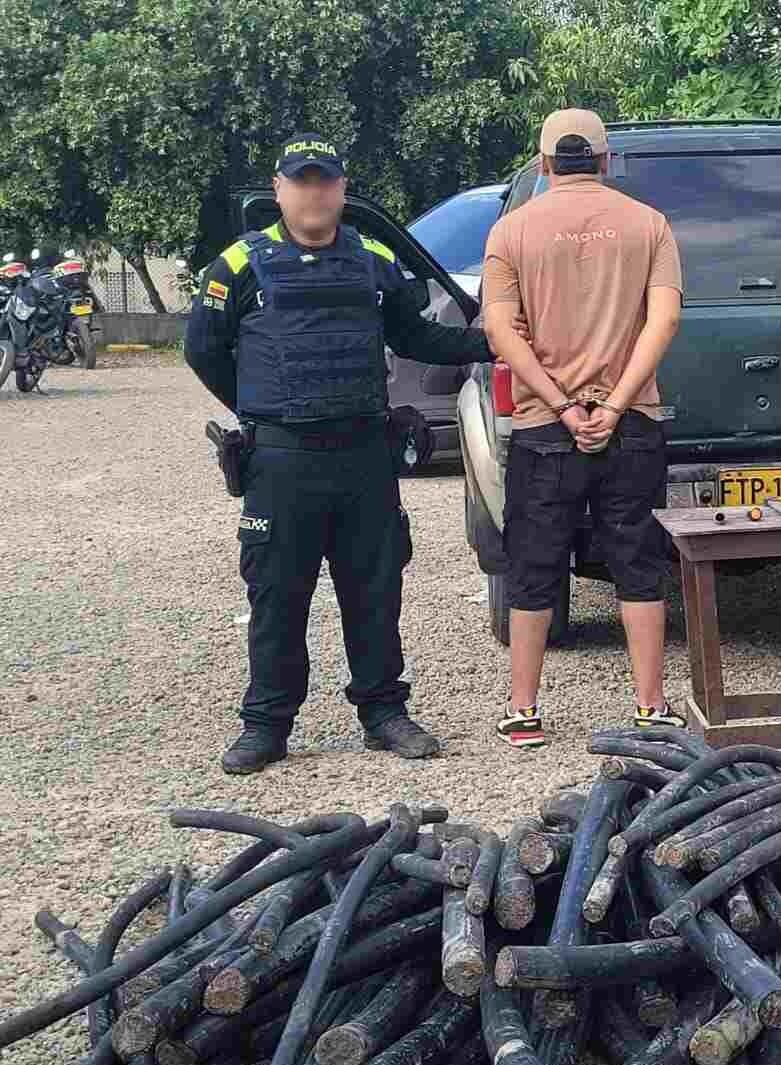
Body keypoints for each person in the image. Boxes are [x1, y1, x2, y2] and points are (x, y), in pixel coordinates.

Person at [185, 132, 495, 774]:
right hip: (282, 461)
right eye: (301, 181)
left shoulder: (374, 258)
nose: (315, 192)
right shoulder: (239, 265)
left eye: (325, 180)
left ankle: (383, 713)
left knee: (375, 589)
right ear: (280, 191)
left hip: (364, 458)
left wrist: (493, 343)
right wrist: (258, 407)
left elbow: (416, 337)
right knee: (277, 594)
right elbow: (204, 351)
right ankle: (266, 725)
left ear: (342, 190)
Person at [479, 109, 685, 749]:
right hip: (632, 424)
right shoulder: (649, 226)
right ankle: (650, 707)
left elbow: (502, 332)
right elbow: (664, 322)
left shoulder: (511, 232)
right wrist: (617, 403)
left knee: (533, 565)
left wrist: (564, 406)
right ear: (605, 160)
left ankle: (524, 711)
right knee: (638, 562)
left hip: (546, 427)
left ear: (543, 164)